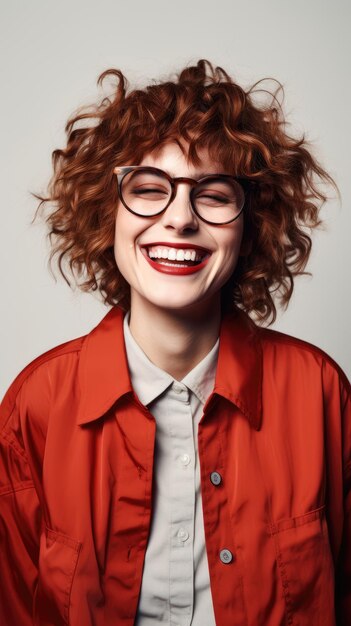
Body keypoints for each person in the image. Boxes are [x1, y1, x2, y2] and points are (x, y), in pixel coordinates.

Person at [0, 59, 350, 626]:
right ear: (106, 211)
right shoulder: (36, 404)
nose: (179, 219)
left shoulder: (321, 393)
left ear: (250, 224)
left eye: (213, 194)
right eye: (148, 189)